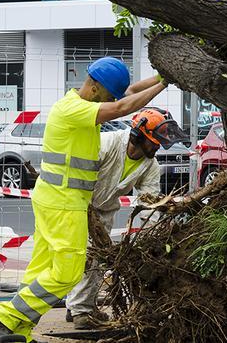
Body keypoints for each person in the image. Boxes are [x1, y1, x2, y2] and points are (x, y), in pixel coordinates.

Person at [0, 58, 168, 342]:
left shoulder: (79, 102)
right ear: (97, 88)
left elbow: (127, 93)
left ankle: (16, 331)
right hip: (64, 200)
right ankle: (5, 317)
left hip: (53, 197)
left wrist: (163, 77)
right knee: (68, 272)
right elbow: (124, 107)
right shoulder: (74, 109)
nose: (113, 100)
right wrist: (163, 84)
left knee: (42, 270)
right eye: (110, 95)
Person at [66, 108, 189, 328]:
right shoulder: (107, 144)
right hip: (74, 205)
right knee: (82, 258)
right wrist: (80, 207)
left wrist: (149, 236)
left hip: (104, 211)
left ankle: (80, 307)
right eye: (154, 142)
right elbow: (77, 175)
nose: (157, 147)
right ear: (137, 136)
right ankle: (80, 312)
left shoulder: (149, 165)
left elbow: (148, 203)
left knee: (97, 258)